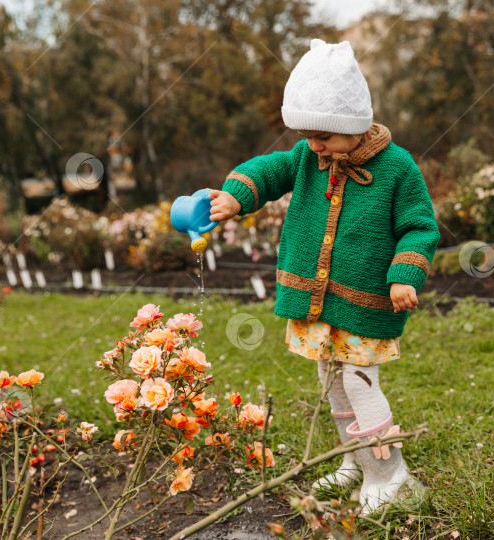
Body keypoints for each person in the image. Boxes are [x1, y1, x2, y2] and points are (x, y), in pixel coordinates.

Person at [208, 38, 439, 515]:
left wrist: (404, 274)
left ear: (353, 125)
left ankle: (389, 473)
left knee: (358, 380)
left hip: (367, 301)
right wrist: (236, 196)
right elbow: (266, 170)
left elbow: (418, 225)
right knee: (331, 380)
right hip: (317, 303)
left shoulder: (397, 168)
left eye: (324, 136)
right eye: (307, 135)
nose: (314, 145)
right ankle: (352, 461)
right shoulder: (308, 158)